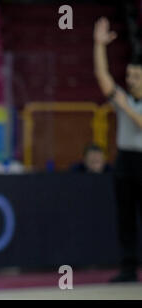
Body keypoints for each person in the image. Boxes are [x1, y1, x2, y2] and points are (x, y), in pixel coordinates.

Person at [94, 17, 142, 282]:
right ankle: (128, 268)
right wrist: (99, 45)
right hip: (125, 160)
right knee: (126, 218)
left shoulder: (126, 102)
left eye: (136, 76)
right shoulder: (124, 96)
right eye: (130, 75)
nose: (131, 79)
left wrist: (125, 106)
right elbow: (103, 77)